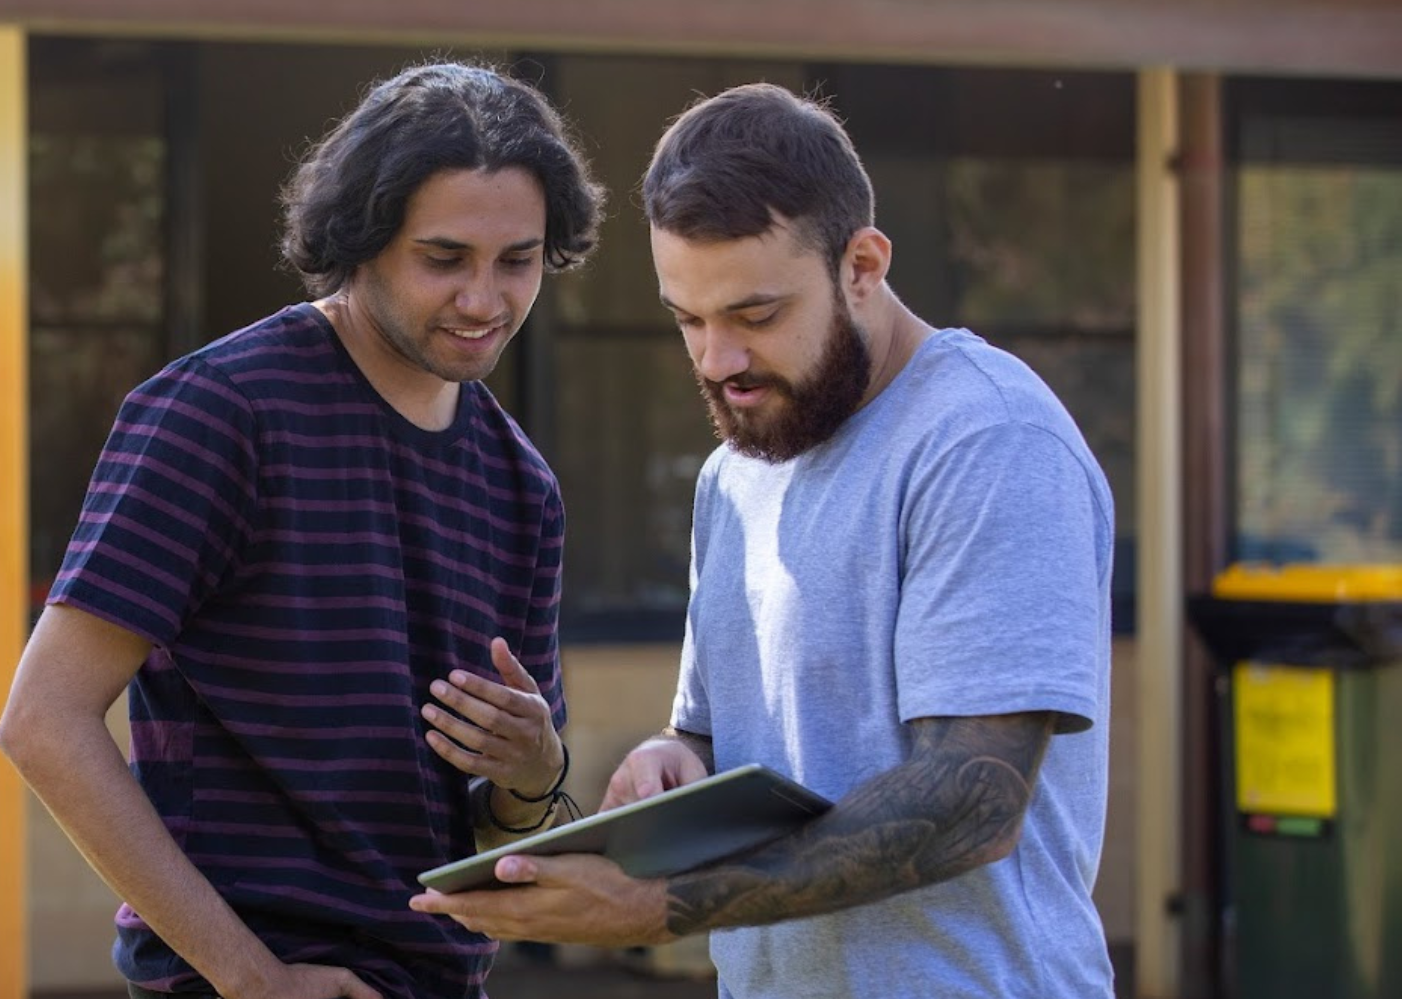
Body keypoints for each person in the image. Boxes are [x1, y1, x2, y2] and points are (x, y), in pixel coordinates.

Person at [411, 82, 1117, 998]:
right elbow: (714, 736)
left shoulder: (985, 440)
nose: (716, 360)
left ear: (861, 264)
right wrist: (674, 762)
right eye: (688, 319)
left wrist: (657, 904)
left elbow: (970, 800)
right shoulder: (736, 469)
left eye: (754, 315)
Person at [0, 62, 606, 999]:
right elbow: (42, 720)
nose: (484, 299)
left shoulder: (522, 484)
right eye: (443, 258)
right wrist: (253, 977)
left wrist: (536, 769)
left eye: (515, 260)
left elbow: (507, 831)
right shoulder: (221, 411)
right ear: (360, 241)